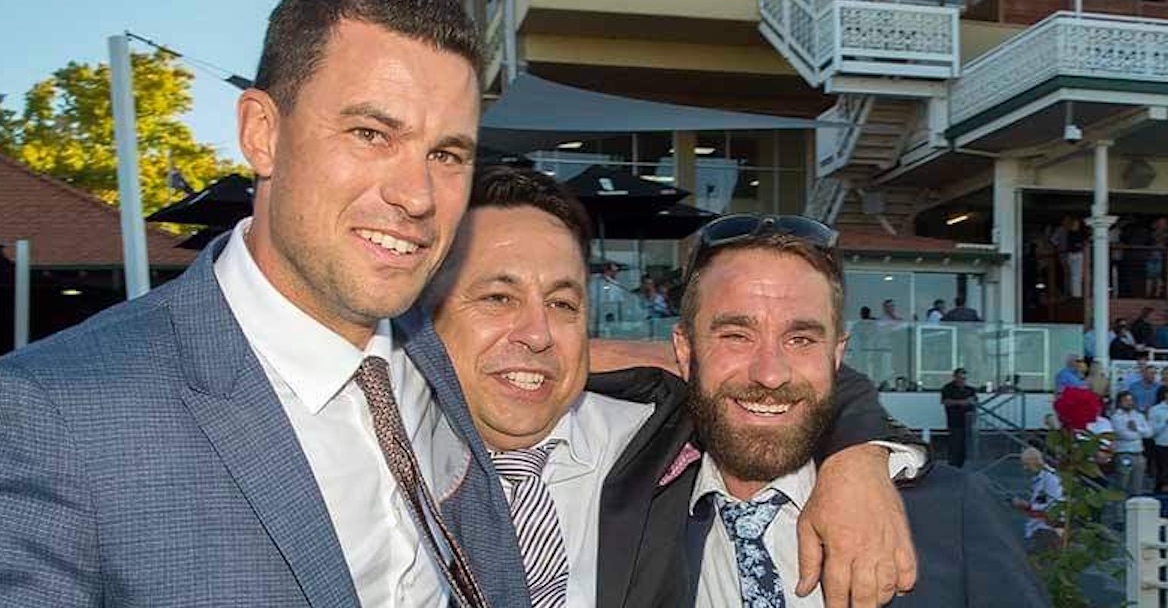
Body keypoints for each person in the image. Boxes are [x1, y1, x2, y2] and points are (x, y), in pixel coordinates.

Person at [0, 0, 529, 605]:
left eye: (447, 155)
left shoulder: (435, 355)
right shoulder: (53, 415)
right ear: (262, 133)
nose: (417, 196)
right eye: (370, 134)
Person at [428, 168, 925, 607]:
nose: (538, 334)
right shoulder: (389, 453)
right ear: (424, 313)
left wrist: (855, 460)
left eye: (562, 305)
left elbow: (782, 384)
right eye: (497, 297)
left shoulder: (648, 434)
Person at [665, 215, 1046, 606]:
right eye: (736, 336)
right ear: (684, 350)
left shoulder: (954, 512)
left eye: (801, 339)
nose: (770, 374)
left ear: (836, 356)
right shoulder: (641, 510)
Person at [1013, 447, 1063, 554]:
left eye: (1027, 464)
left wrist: (1028, 506)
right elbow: (1041, 501)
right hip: (1038, 528)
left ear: (1035, 462)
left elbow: (1056, 505)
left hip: (1047, 529)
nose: (1025, 468)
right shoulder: (1040, 479)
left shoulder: (1051, 479)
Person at [1111, 392, 1152, 497]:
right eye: (1126, 400)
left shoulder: (1139, 416)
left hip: (1139, 453)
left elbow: (1149, 433)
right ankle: (1119, 507)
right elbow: (1125, 435)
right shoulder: (1116, 417)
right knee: (1122, 484)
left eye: (1131, 400)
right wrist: (1140, 434)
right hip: (1124, 453)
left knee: (1138, 485)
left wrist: (1137, 429)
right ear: (1119, 402)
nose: (1129, 403)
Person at [940, 368, 977, 467]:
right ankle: (953, 464)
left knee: (966, 445)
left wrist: (970, 403)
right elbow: (945, 401)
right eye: (960, 378)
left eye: (964, 378)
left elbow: (974, 402)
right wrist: (961, 402)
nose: (962, 381)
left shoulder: (970, 390)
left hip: (968, 422)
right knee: (955, 444)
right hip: (955, 421)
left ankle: (964, 464)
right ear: (955, 377)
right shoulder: (948, 388)